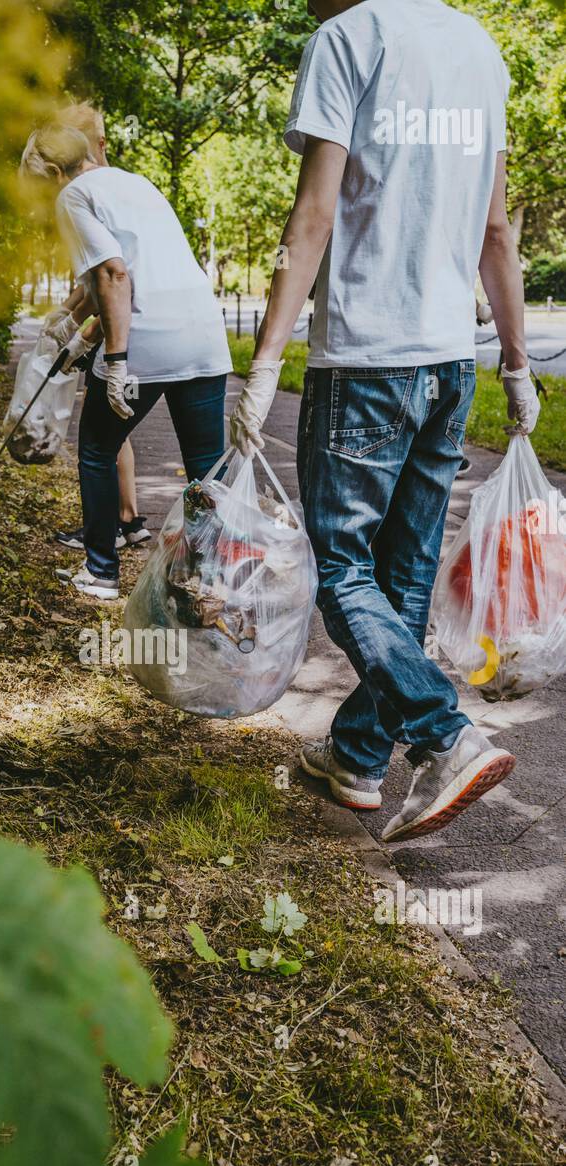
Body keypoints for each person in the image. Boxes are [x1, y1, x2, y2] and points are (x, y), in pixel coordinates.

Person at [230, 0, 539, 843]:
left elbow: (314, 218)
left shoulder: (347, 39)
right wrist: (514, 367)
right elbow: (496, 228)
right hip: (448, 367)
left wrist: (263, 361)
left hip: (366, 358)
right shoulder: (480, 49)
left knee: (341, 568)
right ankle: (360, 755)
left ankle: (445, 736)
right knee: (401, 574)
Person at [20, 118, 231, 601]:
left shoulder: (72, 196)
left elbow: (114, 276)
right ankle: (206, 582)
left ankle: (101, 572)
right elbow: (122, 275)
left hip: (148, 342)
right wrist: (76, 329)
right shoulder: (135, 182)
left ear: (54, 171)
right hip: (203, 334)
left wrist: (113, 361)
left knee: (96, 449)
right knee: (205, 468)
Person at [40, 105, 151, 555]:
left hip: (132, 333)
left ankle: (105, 541)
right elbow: (95, 283)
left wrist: (89, 339)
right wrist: (67, 314)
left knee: (101, 437)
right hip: (131, 327)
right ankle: (127, 519)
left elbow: (115, 278)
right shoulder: (126, 188)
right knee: (114, 429)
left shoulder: (90, 194)